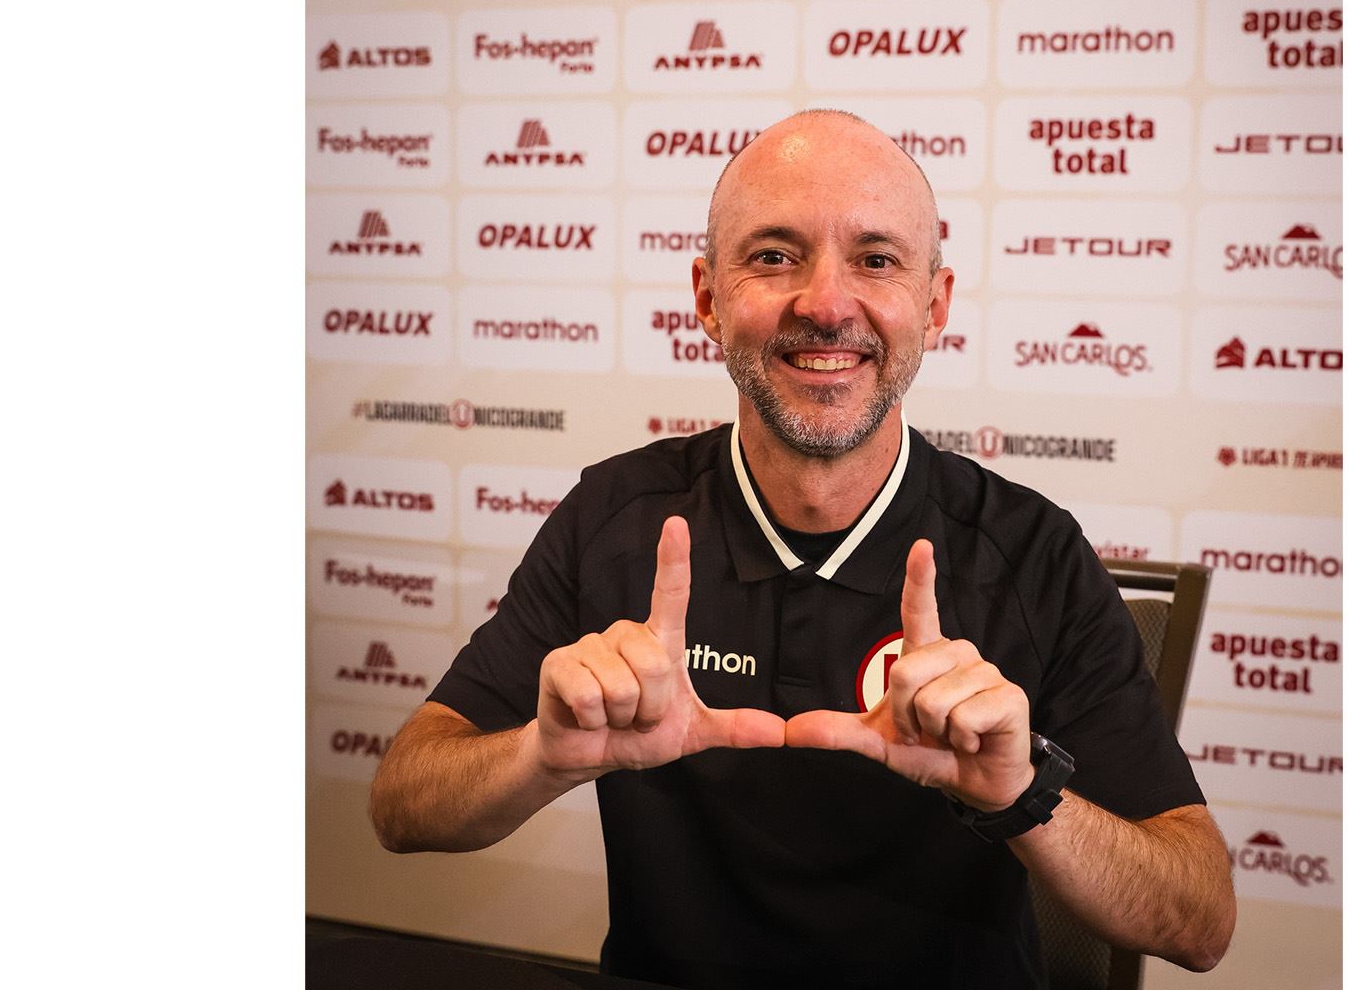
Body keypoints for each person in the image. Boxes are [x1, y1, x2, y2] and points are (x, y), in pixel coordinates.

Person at [369, 109, 1235, 989]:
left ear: (932, 305)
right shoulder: (618, 518)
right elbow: (404, 803)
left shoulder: (1033, 551)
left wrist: (1020, 796)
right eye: (775, 256)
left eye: (876, 259)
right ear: (708, 298)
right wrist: (539, 757)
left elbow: (1199, 921)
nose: (826, 304)